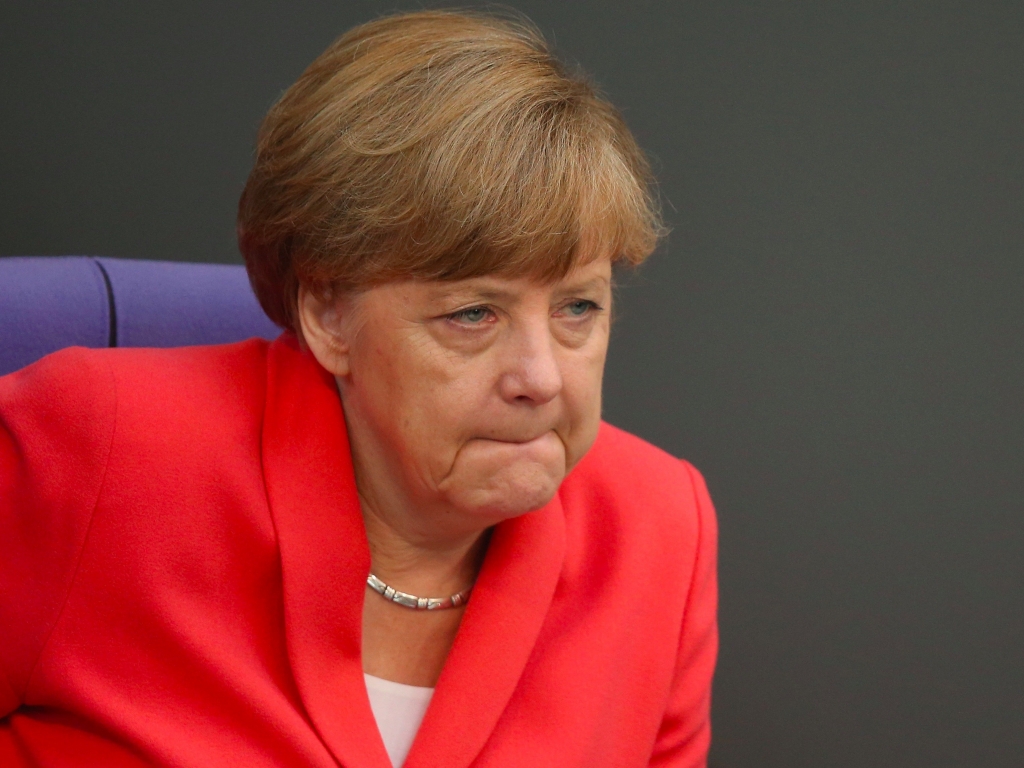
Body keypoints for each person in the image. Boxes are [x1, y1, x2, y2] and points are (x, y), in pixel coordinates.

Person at [0, 10, 717, 768]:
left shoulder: (658, 527)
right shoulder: (95, 454)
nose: (541, 378)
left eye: (578, 307)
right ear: (327, 313)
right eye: (473, 314)